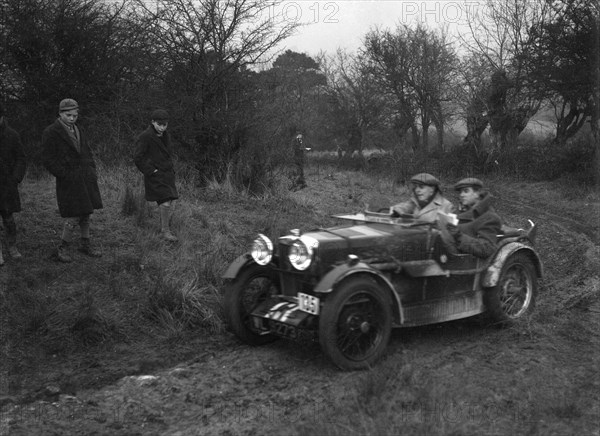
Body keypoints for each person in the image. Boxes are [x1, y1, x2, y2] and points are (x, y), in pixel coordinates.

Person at [41, 98, 103, 262]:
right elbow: (48, 159)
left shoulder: (78, 129)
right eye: (68, 115)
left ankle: (85, 243)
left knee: (86, 211)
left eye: (75, 115)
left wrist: (92, 170)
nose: (72, 118)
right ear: (60, 113)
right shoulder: (51, 132)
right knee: (73, 214)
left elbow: (87, 152)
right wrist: (63, 174)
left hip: (85, 178)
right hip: (68, 180)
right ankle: (63, 248)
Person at [134, 109, 179, 242]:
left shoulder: (166, 135)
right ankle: (165, 232)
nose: (162, 127)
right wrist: (151, 171)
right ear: (152, 122)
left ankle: (164, 229)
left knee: (169, 201)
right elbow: (138, 157)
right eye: (159, 124)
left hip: (167, 174)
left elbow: (167, 154)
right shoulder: (145, 136)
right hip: (155, 175)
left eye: (165, 124)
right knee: (165, 202)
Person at [444, 178, 502, 258]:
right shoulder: (458, 212)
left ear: (477, 193)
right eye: (460, 192)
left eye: (466, 191)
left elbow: (487, 249)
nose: (461, 195)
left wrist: (459, 236)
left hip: (466, 262)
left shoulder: (490, 217)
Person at [0, 102, 27, 264]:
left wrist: (15, 178)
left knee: (8, 218)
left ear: (2, 117)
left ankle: (12, 246)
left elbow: (21, 158)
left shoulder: (12, 135)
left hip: (6, 184)